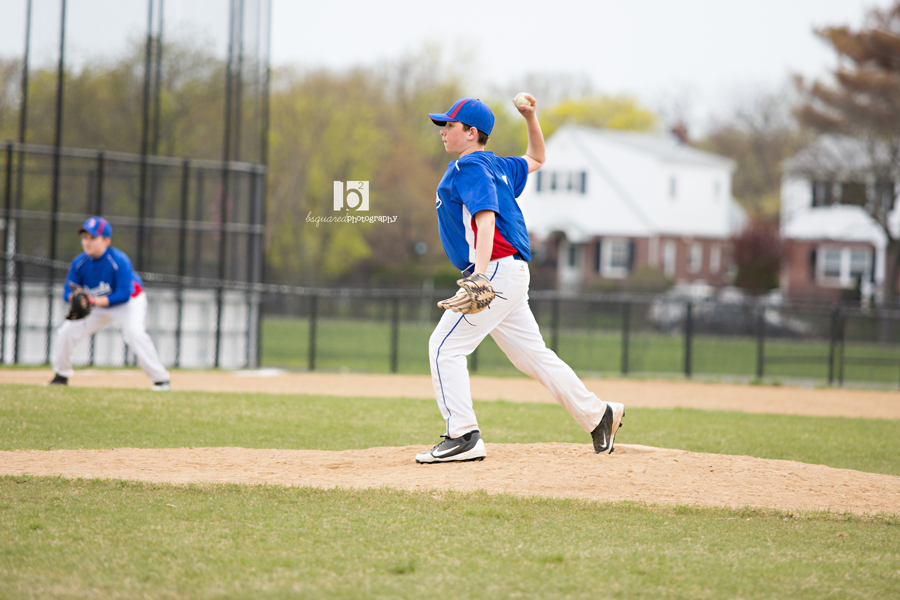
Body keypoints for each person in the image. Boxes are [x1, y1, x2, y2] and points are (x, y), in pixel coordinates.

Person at [415, 96, 625, 464]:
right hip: (511, 273)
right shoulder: (498, 166)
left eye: (450, 125)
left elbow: (485, 220)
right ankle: (598, 415)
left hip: (495, 271)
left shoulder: (469, 166)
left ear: (472, 132)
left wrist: (480, 276)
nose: (443, 131)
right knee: (533, 358)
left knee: (444, 347)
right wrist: (531, 117)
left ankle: (463, 435)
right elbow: (537, 158)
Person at [48, 217, 171, 391]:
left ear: (106, 241)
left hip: (128, 303)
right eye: (85, 237)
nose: (87, 242)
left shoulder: (119, 260)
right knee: (67, 331)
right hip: (97, 305)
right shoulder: (79, 262)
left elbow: (123, 295)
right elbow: (68, 290)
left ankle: (161, 380)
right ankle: (61, 375)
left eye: (93, 238)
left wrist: (92, 300)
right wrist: (75, 298)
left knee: (134, 333)